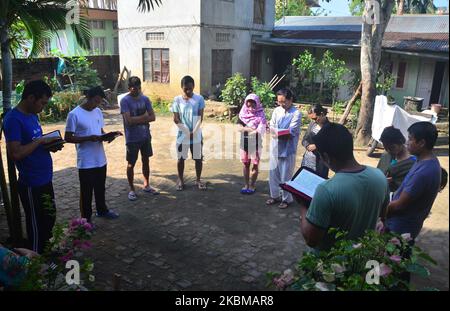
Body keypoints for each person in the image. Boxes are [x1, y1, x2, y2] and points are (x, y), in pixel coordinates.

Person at [297, 123, 389, 252]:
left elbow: (311, 240)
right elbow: (383, 215)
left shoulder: (326, 190)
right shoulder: (379, 177)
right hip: (361, 257)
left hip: (330, 266)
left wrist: (303, 206)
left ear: (326, 157)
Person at [3, 80, 63, 254]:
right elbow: (15, 153)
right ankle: (37, 262)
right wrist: (40, 141)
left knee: (49, 218)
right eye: (42, 103)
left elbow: (34, 143)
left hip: (45, 178)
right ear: (30, 98)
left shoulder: (32, 115)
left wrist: (50, 144)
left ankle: (47, 251)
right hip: (31, 183)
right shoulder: (13, 119)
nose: (43, 107)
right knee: (37, 224)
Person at [65, 86, 121, 222]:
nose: (97, 104)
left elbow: (100, 130)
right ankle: (86, 220)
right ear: (88, 98)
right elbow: (68, 137)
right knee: (86, 192)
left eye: (100, 102)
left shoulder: (97, 112)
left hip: (100, 158)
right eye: (95, 101)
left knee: (100, 188)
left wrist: (107, 136)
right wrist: (88, 138)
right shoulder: (74, 114)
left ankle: (102, 210)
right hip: (85, 161)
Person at [385, 122, 442, 241]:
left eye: (410, 139)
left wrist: (380, 210)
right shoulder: (425, 160)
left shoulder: (423, 173)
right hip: (408, 223)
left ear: (421, 143)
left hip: (400, 226)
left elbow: (399, 204)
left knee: (393, 257)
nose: (407, 142)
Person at [120, 77, 159, 201]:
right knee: (131, 164)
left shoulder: (145, 99)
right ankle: (132, 189)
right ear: (129, 88)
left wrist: (137, 119)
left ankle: (146, 185)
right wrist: (144, 116)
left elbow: (153, 117)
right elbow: (129, 121)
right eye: (133, 89)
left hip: (145, 136)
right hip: (132, 138)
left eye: (138, 88)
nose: (136, 91)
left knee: (146, 160)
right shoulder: (125, 101)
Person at [266, 89, 302, 209]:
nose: (281, 104)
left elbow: (291, 131)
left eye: (284, 101)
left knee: (286, 176)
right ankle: (274, 195)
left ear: (290, 100)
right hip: (275, 147)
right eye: (279, 102)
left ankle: (286, 199)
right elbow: (272, 125)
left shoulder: (296, 113)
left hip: (288, 149)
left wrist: (275, 131)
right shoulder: (277, 110)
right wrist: (274, 130)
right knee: (273, 174)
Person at [170, 75, 206, 191]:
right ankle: (180, 179)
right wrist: (186, 131)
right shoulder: (177, 100)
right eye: (186, 88)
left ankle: (198, 179)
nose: (188, 91)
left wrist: (193, 132)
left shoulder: (199, 99)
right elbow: (176, 118)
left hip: (196, 134)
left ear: (194, 86)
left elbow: (200, 118)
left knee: (198, 158)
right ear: (182, 87)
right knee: (181, 158)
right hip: (182, 135)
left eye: (190, 88)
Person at [237, 94, 267, 194]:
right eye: (248, 105)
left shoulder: (261, 114)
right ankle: (246, 184)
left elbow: (261, 130)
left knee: (255, 165)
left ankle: (252, 185)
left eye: (253, 106)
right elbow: (239, 128)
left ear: (257, 104)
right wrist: (252, 129)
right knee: (245, 164)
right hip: (244, 143)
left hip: (256, 144)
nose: (251, 108)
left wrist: (247, 129)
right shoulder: (242, 114)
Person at [376, 126, 416, 193]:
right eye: (386, 148)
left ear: (400, 142)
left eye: (392, 147)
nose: (389, 150)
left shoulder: (413, 161)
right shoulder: (386, 155)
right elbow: (379, 174)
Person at [301, 104, 330, 178]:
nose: (314, 121)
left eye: (315, 118)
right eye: (312, 119)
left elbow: (333, 145)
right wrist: (307, 145)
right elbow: (305, 139)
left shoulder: (331, 127)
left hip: (321, 162)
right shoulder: (312, 124)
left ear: (322, 114)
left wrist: (317, 145)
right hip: (308, 160)